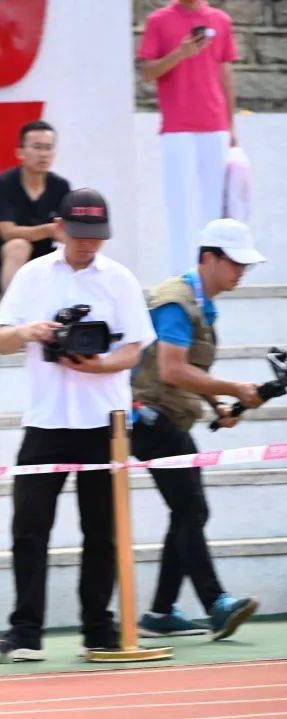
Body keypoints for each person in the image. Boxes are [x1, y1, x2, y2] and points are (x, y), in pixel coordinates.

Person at [0, 188, 156, 661]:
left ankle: (98, 628)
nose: (87, 244)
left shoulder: (119, 279)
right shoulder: (33, 275)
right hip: (46, 420)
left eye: (96, 236)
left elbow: (136, 348)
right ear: (59, 228)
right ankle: (25, 631)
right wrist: (30, 331)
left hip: (105, 422)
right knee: (28, 526)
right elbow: (1, 339)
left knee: (102, 530)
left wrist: (98, 364)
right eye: (79, 234)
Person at [132, 218, 263, 641]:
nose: (241, 271)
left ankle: (161, 611)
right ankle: (215, 603)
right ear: (208, 258)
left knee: (187, 509)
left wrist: (217, 405)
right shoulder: (177, 301)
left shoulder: (201, 304)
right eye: (235, 262)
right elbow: (171, 369)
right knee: (191, 508)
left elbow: (189, 370)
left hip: (167, 415)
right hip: (149, 417)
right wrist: (233, 388)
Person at [138, 0, 239, 275]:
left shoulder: (220, 20)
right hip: (177, 128)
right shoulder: (159, 20)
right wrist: (180, 53)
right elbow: (147, 72)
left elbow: (225, 73)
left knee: (213, 207)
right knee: (178, 206)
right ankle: (180, 277)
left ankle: (212, 276)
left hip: (215, 126)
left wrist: (232, 127)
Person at [0, 120, 71, 294]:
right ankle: (11, 316)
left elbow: (67, 230)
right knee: (19, 245)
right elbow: (7, 232)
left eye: (48, 148)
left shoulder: (60, 186)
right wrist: (50, 230)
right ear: (20, 153)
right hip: (0, 260)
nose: (43, 154)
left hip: (42, 259)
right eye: (37, 147)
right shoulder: (5, 183)